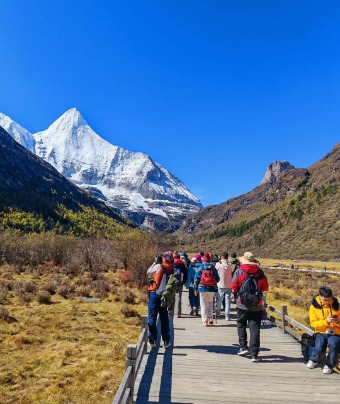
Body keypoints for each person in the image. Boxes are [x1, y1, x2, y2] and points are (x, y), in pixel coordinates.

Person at [232, 252, 269, 362]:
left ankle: (243, 347)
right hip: (256, 304)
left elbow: (234, 286)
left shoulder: (239, 271)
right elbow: (265, 287)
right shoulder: (260, 273)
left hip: (242, 303)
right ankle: (254, 354)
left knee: (241, 324)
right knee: (255, 328)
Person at [307, 286, 340, 374]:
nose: (328, 301)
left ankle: (329, 365)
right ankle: (313, 359)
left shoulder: (336, 305)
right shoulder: (314, 306)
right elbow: (313, 323)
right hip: (321, 331)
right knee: (318, 347)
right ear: (320, 297)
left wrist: (338, 321)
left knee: (333, 345)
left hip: (335, 332)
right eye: (325, 300)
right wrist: (326, 322)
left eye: (329, 299)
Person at [147, 251, 174, 349]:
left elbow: (148, 271)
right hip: (164, 296)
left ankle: (152, 339)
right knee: (164, 319)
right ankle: (166, 341)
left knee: (152, 317)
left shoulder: (159, 267)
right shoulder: (171, 268)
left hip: (155, 295)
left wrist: (155, 262)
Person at [194, 258, 220, 326]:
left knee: (203, 305)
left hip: (202, 288)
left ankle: (205, 321)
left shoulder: (201, 267)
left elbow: (196, 278)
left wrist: (195, 288)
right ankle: (210, 317)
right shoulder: (213, 268)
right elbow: (218, 279)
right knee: (210, 302)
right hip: (212, 289)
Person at [215, 252, 232, 320]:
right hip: (228, 285)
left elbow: (215, 271)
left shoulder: (218, 264)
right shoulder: (230, 265)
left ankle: (218, 312)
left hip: (220, 284)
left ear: (221, 257)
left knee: (219, 299)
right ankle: (227, 315)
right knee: (227, 300)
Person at [173, 252, 187, 318]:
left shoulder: (172, 263)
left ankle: (171, 310)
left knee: (172, 297)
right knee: (179, 297)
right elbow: (185, 273)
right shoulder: (182, 264)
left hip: (172, 282)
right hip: (180, 282)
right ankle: (178, 313)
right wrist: (184, 282)